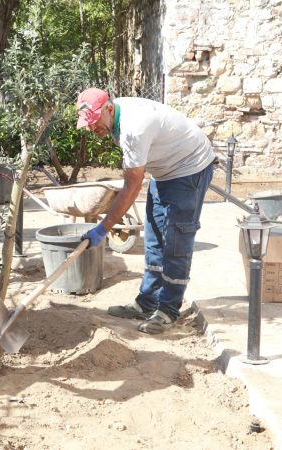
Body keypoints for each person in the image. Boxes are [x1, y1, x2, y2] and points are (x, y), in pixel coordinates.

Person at [76, 88, 215, 335]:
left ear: (108, 109)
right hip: (164, 171)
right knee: (154, 239)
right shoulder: (117, 115)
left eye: (93, 122)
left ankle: (168, 310)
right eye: (87, 124)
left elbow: (131, 186)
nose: (91, 129)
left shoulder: (134, 128)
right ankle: (147, 302)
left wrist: (103, 228)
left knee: (175, 242)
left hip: (189, 168)